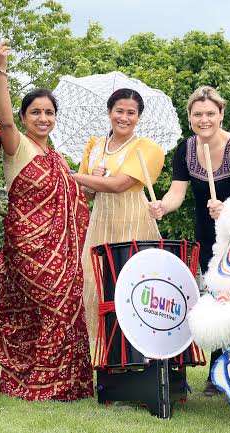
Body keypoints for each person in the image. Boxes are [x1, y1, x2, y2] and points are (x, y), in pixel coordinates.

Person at [0, 35, 93, 401]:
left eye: (49, 113)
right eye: (36, 112)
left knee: (65, 309)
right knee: (47, 308)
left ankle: (63, 385)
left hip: (66, 254)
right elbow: (2, 117)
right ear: (23, 117)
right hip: (29, 248)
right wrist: (0, 67)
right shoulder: (17, 146)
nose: (44, 118)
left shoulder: (60, 158)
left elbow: (78, 202)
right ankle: (32, 381)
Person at [148, 86, 230, 396]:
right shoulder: (185, 150)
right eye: (198, 114)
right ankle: (216, 373)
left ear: (221, 114)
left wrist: (227, 206)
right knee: (215, 297)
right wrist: (163, 206)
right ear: (190, 117)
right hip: (208, 236)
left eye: (210, 113)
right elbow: (177, 192)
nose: (204, 119)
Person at [73, 89, 165, 342]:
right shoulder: (95, 146)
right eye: (119, 111)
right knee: (95, 284)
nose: (124, 117)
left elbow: (119, 185)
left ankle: (139, 352)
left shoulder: (146, 148)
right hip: (101, 222)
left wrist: (75, 175)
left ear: (138, 117)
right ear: (109, 112)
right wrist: (92, 181)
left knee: (133, 285)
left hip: (134, 220)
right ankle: (104, 354)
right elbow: (87, 194)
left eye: (131, 113)